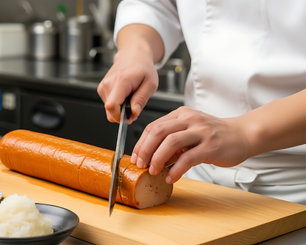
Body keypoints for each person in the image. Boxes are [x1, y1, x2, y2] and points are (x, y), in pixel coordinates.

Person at [97, 0, 306, 204]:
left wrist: (244, 132)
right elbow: (155, 4)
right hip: (197, 182)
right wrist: (136, 50)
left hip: (297, 188)